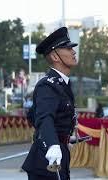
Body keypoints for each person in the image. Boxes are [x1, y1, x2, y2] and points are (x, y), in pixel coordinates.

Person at [22, 27, 78, 180]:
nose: (73, 52)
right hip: (47, 160)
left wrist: (63, 137)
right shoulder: (47, 85)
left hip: (60, 153)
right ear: (55, 56)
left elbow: (34, 115)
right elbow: (44, 117)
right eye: (67, 48)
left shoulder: (62, 84)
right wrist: (53, 143)